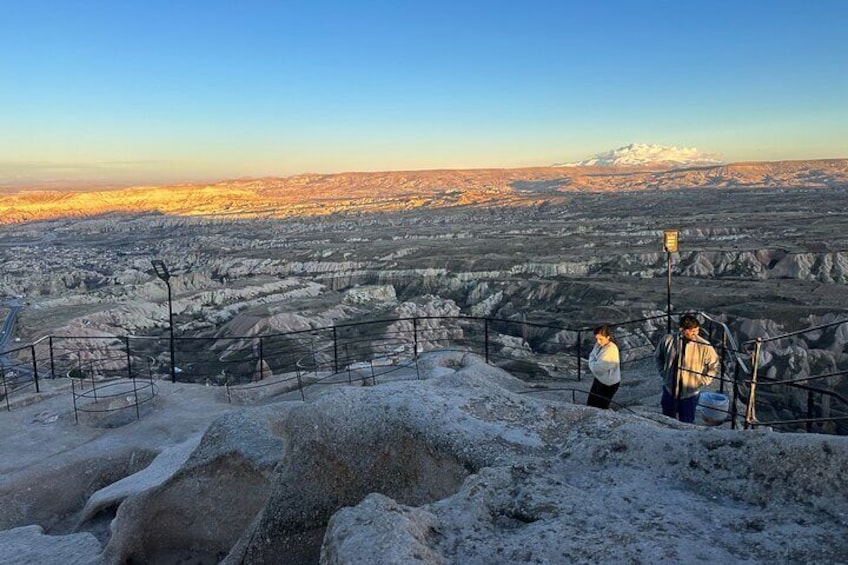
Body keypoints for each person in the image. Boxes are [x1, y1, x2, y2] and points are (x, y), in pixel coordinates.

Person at [654, 313, 719, 423]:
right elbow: (658, 357)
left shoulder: (704, 346)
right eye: (692, 331)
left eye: (697, 330)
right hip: (669, 389)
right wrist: (663, 372)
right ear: (682, 329)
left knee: (687, 422)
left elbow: (714, 364)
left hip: (690, 393)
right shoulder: (668, 339)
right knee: (666, 420)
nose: (695, 333)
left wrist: (704, 380)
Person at [586, 325, 621, 409]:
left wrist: (591, 362)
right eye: (597, 339)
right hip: (600, 380)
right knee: (590, 405)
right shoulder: (599, 345)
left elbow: (598, 369)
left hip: (607, 384)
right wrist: (594, 362)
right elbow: (592, 355)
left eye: (600, 339)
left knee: (600, 408)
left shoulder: (610, 349)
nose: (598, 341)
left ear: (608, 337)